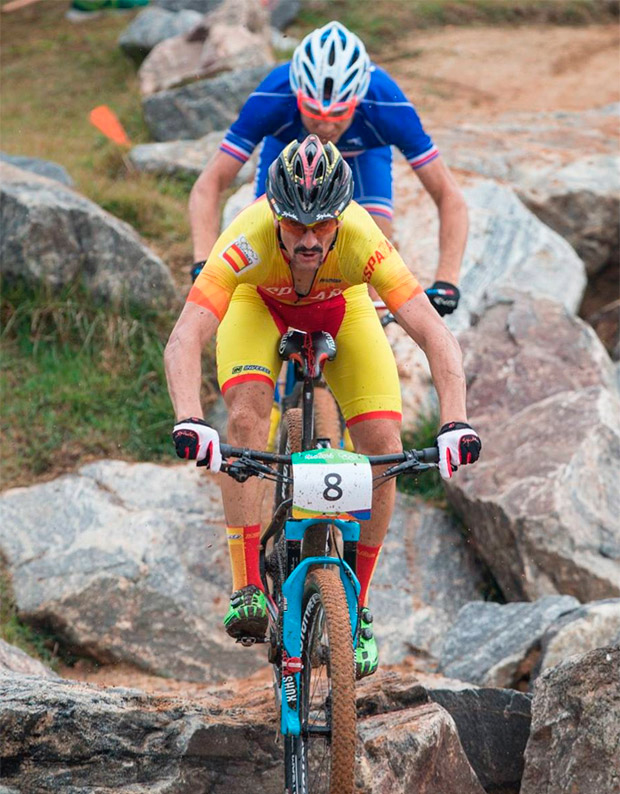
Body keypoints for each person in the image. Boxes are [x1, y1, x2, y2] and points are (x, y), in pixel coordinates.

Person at [166, 135, 480, 679]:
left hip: (342, 308)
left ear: (342, 217)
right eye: (295, 225)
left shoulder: (362, 239)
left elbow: (434, 334)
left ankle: (355, 612)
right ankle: (246, 587)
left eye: (323, 225)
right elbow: (184, 340)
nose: (310, 239)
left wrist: (455, 421)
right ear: (274, 214)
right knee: (244, 419)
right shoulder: (247, 238)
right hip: (257, 302)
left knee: (386, 447)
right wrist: (191, 418)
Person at [188, 20, 467, 318]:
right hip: (287, 154)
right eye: (313, 113)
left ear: (358, 100)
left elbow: (448, 195)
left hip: (362, 159)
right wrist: (204, 261)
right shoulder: (274, 96)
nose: (325, 125)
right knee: (270, 254)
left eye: (338, 114)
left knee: (372, 259)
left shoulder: (386, 104)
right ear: (298, 96)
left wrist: (447, 280)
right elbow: (211, 183)